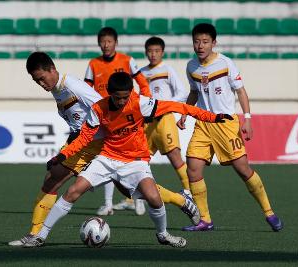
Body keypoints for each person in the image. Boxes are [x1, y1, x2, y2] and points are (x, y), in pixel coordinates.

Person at [23, 72, 233, 248]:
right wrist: (62, 155)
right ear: (110, 95)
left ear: (130, 93)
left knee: (153, 197)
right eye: (118, 98)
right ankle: (41, 235)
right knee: (72, 192)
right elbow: (85, 138)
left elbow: (177, 107)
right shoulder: (99, 109)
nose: (122, 101)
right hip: (107, 157)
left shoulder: (140, 103)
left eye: (125, 97)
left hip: (135, 161)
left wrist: (211, 117)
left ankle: (163, 235)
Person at [177, 23, 283, 232]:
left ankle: (269, 212)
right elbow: (194, 92)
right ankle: (205, 220)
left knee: (243, 169)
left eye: (205, 41)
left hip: (225, 124)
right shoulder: (191, 67)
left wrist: (248, 119)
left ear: (213, 43)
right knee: (193, 169)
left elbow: (241, 91)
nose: (200, 45)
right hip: (203, 124)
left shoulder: (225, 63)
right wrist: (185, 113)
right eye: (197, 41)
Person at [8, 51, 104, 246]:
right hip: (80, 143)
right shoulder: (57, 89)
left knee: (137, 189)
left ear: (52, 69)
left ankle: (181, 201)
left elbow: (103, 108)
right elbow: (77, 120)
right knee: (51, 179)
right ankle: (35, 234)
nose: (41, 84)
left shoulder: (73, 86)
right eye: (37, 82)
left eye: (42, 78)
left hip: (96, 143)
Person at [113, 36, 191, 213]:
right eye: (150, 51)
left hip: (164, 119)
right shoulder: (140, 73)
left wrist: (163, 105)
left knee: (174, 157)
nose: (153, 54)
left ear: (162, 52)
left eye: (157, 51)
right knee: (136, 159)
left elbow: (182, 93)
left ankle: (189, 192)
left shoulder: (168, 70)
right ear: (146, 52)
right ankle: (132, 199)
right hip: (146, 122)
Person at [84, 26, 151, 215]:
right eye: (102, 41)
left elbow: (143, 84)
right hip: (105, 118)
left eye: (109, 41)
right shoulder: (93, 64)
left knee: (135, 157)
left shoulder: (128, 61)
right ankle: (107, 204)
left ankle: (137, 198)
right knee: (107, 159)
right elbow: (86, 90)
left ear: (116, 43)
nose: (106, 45)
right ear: (99, 43)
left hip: (129, 117)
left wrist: (142, 109)